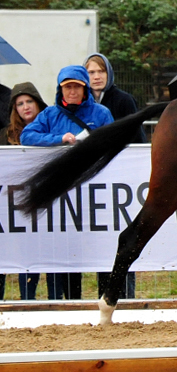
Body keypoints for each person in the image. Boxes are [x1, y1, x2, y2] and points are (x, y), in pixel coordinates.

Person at [21, 65, 114, 300]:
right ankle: (71, 301)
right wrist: (59, 139)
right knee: (66, 248)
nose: (72, 91)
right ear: (60, 89)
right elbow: (27, 136)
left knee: (102, 248)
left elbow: (113, 142)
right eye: (67, 87)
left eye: (77, 87)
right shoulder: (50, 115)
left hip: (95, 191)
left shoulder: (101, 113)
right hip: (62, 194)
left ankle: (109, 299)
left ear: (85, 89)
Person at [84, 53, 142, 298]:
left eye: (100, 72)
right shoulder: (82, 102)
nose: (96, 77)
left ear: (109, 74)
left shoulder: (123, 100)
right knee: (101, 241)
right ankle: (104, 295)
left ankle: (125, 296)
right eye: (91, 72)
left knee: (123, 238)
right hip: (94, 181)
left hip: (121, 179)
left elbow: (138, 139)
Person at [0, 82, 48, 299]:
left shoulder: (50, 131)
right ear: (14, 108)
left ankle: (32, 299)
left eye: (29, 101)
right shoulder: (4, 135)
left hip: (38, 204)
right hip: (7, 207)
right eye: (20, 103)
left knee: (35, 254)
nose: (26, 107)